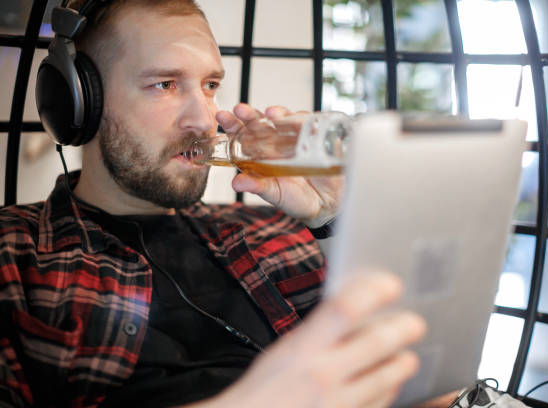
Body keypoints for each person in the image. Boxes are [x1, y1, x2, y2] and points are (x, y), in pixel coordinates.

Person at [0, 0, 439, 406]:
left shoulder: (272, 231)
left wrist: (332, 222)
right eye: (164, 84)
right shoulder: (15, 252)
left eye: (210, 85)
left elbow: (419, 368)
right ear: (79, 103)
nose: (204, 119)